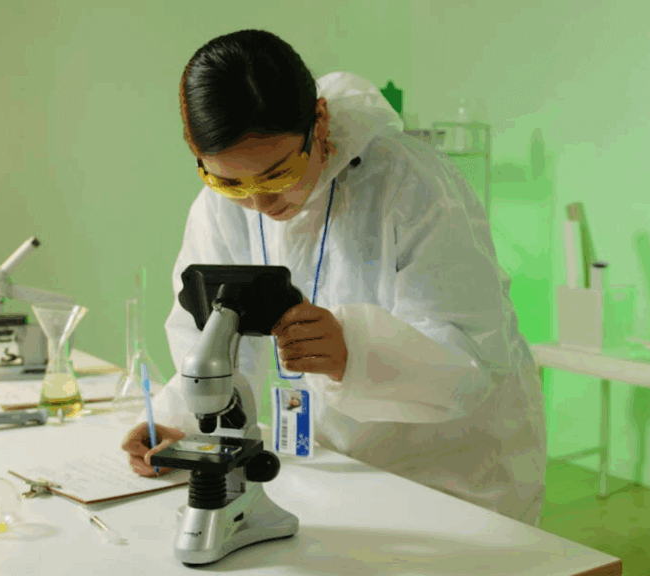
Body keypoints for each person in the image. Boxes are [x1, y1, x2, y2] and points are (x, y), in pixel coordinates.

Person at [121, 29, 547, 525]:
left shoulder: (411, 187)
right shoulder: (222, 207)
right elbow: (215, 339)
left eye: (278, 174)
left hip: (446, 480)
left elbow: (475, 360)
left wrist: (356, 352)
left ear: (319, 122)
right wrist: (179, 423)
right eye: (228, 181)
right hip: (323, 475)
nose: (259, 203)